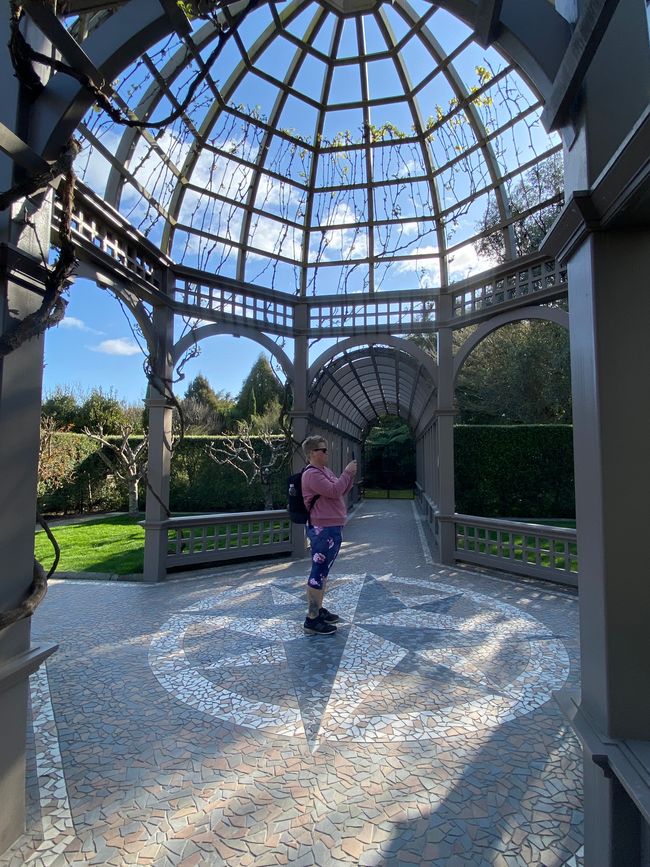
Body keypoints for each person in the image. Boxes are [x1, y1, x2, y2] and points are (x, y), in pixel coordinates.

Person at [300, 435, 357, 635]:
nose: (326, 453)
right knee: (318, 571)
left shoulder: (323, 470)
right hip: (322, 529)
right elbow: (334, 490)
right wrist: (347, 473)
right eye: (322, 450)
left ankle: (318, 610)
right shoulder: (312, 475)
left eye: (326, 449)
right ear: (311, 453)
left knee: (322, 571)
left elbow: (340, 489)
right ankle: (311, 619)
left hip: (331, 527)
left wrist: (348, 477)